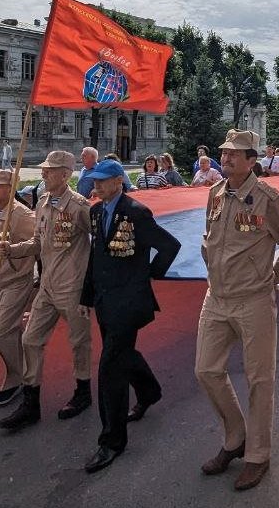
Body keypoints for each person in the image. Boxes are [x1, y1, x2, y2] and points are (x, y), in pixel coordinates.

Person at [195, 130, 279, 491]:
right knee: (206, 370)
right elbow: (208, 237)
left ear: (252, 161)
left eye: (234, 155)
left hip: (253, 300)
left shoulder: (268, 199)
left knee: (260, 380)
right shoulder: (214, 193)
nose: (225, 159)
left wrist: (270, 279)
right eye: (224, 153)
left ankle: (258, 456)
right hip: (217, 299)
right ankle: (236, 436)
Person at [79, 159, 181, 473]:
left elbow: (169, 246)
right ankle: (149, 391)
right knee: (122, 354)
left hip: (129, 304)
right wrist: (86, 296)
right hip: (105, 301)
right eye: (93, 180)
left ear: (117, 182)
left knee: (110, 369)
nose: (94, 185)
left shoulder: (137, 213)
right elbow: (96, 257)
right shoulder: (96, 213)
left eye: (100, 181)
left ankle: (111, 441)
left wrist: (147, 276)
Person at [0, 151, 94, 430]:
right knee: (31, 339)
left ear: (65, 174)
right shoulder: (42, 202)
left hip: (73, 287)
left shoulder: (79, 206)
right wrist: (12, 250)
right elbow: (38, 242)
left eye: (50, 170)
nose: (43, 174)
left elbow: (99, 241)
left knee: (79, 342)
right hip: (47, 287)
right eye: (44, 169)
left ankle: (83, 391)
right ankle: (30, 402)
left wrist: (93, 282)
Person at [0, 169, 38, 406]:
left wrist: (14, 249)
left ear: (11, 188)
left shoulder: (21, 214)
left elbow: (39, 243)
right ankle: (23, 374)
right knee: (10, 333)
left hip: (15, 282)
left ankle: (21, 377)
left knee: (0, 333)